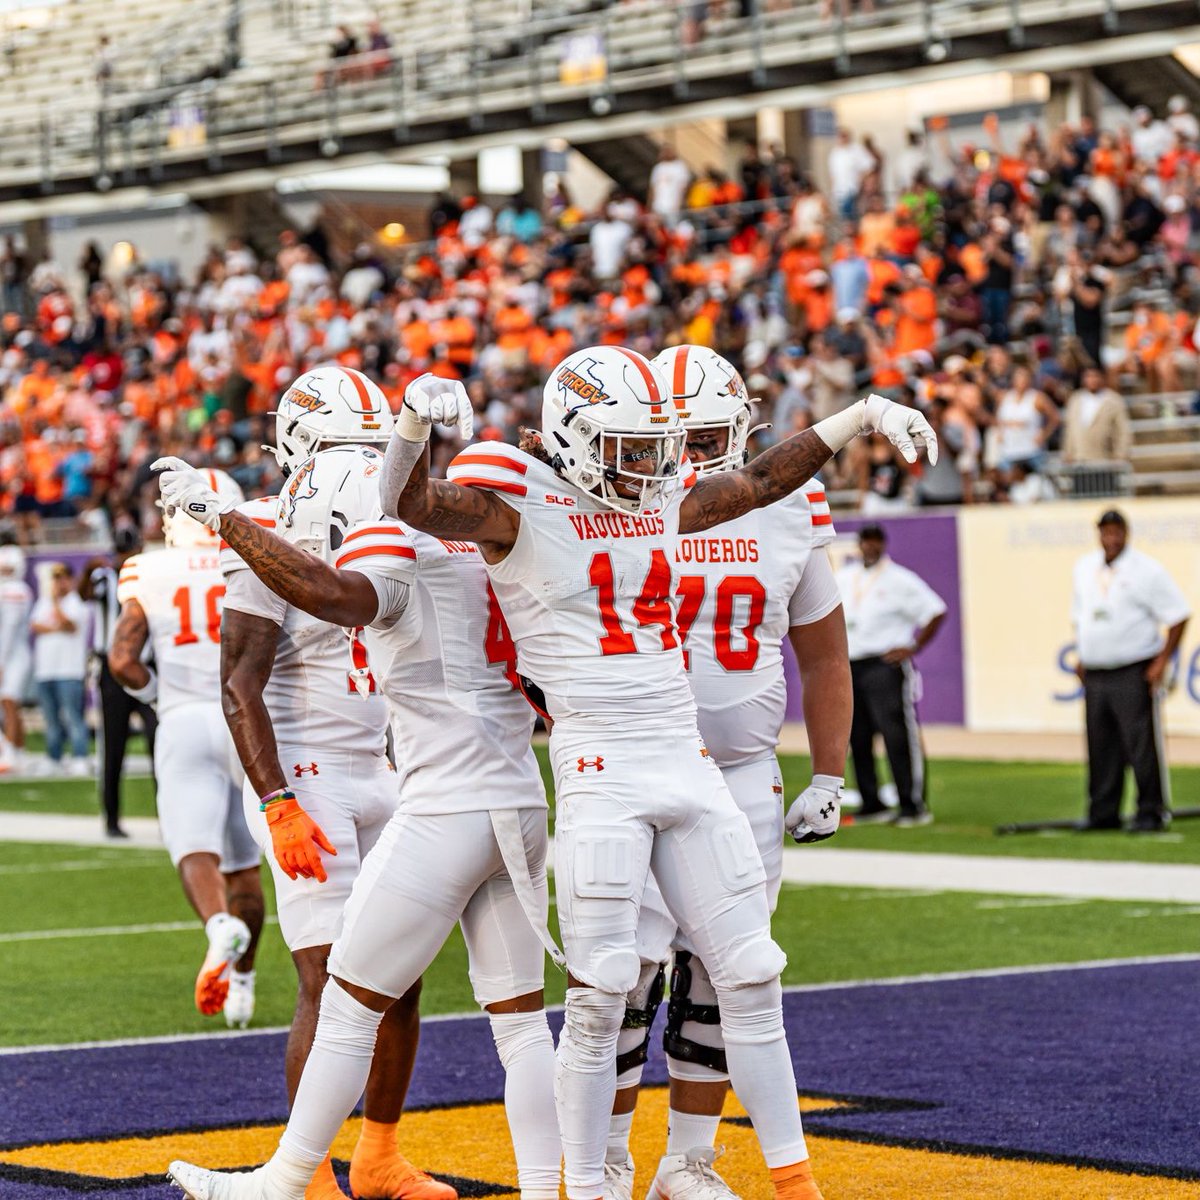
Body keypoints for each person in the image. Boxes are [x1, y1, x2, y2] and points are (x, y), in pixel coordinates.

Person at [390, 352, 933, 1200]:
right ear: (573, 440)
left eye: (655, 449)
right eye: (632, 450)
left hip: (689, 759)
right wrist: (415, 429)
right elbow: (415, 504)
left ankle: (794, 1185)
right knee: (606, 990)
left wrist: (856, 417)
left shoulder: (663, 503)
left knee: (751, 969)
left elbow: (755, 482)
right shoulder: (519, 500)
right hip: (600, 768)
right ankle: (587, 1183)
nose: (651, 469)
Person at [160, 442, 562, 1200]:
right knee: (519, 1024)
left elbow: (334, 593)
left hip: (440, 802)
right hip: (515, 794)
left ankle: (285, 1181)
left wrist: (229, 520)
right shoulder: (488, 545)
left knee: (347, 999)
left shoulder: (384, 545)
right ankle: (550, 1190)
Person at [600, 346, 853, 1200]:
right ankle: (604, 1160)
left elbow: (823, 655)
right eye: (682, 436)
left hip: (744, 775)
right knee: (621, 983)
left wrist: (828, 773)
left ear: (744, 428)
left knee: (724, 981)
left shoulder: (791, 503)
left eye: (711, 434)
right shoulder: (613, 504)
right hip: (638, 769)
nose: (696, 453)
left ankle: (688, 1161)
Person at [221, 366, 453, 1200]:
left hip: (380, 768)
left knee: (400, 975)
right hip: (307, 776)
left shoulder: (390, 525)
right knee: (328, 978)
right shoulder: (269, 528)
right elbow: (239, 685)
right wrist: (276, 801)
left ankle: (381, 1153)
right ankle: (310, 1171)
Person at [108, 467, 265, 1027]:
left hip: (183, 717)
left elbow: (122, 659)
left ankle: (217, 926)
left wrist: (155, 697)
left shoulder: (147, 568)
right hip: (248, 718)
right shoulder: (254, 557)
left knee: (194, 848)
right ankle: (244, 984)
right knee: (248, 866)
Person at [1070, 510, 1191, 832]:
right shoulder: (1084, 567)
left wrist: (1162, 660)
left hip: (1132, 669)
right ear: (1098, 534)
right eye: (1105, 533)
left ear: (1126, 533)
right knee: (1100, 745)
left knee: (1140, 744)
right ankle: (1103, 813)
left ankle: (1150, 811)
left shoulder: (1146, 570)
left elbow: (1178, 614)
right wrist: (1082, 653)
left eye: (1116, 533)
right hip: (1095, 670)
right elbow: (1080, 616)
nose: (1111, 539)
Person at [836, 525, 946, 826]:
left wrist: (913, 646)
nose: (869, 547)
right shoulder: (845, 578)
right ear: (859, 545)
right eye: (865, 542)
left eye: (874, 542)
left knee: (896, 734)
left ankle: (912, 804)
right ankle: (872, 802)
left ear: (882, 544)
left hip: (884, 664)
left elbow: (936, 611)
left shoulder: (900, 580)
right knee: (856, 736)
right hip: (851, 664)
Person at [81, 525, 156, 839]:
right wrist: (88, 569)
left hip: (148, 667)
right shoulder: (106, 577)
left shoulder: (152, 575)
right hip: (113, 671)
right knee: (113, 746)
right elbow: (85, 593)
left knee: (161, 742)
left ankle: (171, 815)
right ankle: (111, 819)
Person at [31, 563, 91, 776]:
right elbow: (35, 626)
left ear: (71, 580)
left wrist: (56, 605)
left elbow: (69, 625)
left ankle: (80, 756)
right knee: (51, 718)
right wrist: (55, 624)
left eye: (63, 578)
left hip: (69, 670)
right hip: (46, 669)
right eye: (56, 579)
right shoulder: (43, 602)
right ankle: (54, 757)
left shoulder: (77, 602)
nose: (59, 583)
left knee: (73, 716)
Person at [0, 543, 32, 771]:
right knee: (11, 704)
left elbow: (9, 629)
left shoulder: (15, 590)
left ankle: (10, 752)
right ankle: (18, 750)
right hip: (11, 654)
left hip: (13, 655)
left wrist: (1, 661)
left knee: (9, 703)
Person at [1062, 366, 1131, 464]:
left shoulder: (1113, 400)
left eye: (1095, 376)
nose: (1092, 380)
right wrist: (1068, 452)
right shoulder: (1076, 399)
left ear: (1102, 378)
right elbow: (1069, 429)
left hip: (1105, 458)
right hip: (1080, 459)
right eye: (1088, 376)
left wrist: (1121, 455)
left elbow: (1123, 430)